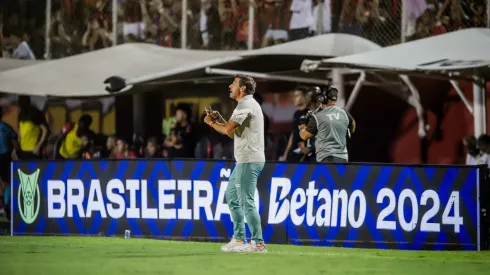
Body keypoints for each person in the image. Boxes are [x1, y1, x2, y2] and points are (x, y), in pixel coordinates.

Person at [204, 74, 267, 252]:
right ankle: (239, 239)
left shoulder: (246, 104)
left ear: (243, 88)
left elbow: (227, 130)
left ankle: (258, 243)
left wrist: (211, 123)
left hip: (249, 160)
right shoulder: (246, 104)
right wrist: (219, 121)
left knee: (246, 201)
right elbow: (232, 132)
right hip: (244, 160)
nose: (229, 86)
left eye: (233, 83)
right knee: (232, 197)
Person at [299, 85, 356, 163]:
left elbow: (304, 136)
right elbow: (353, 125)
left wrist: (302, 127)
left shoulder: (318, 116)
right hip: (343, 157)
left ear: (323, 98)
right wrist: (347, 133)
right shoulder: (343, 112)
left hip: (326, 157)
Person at [0, 106, 20, 221]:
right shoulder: (7, 128)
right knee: (7, 184)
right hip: (4, 158)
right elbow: (16, 146)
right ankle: (8, 208)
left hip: (4, 158)